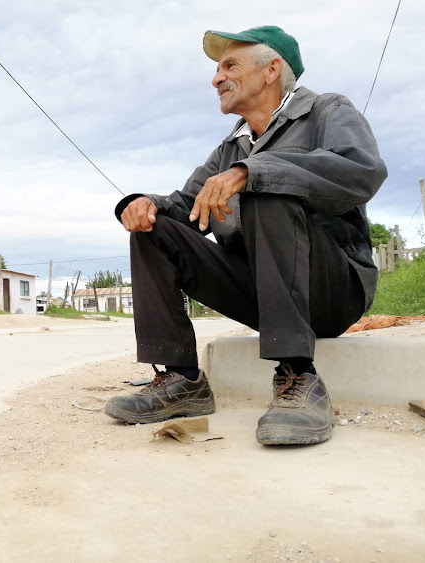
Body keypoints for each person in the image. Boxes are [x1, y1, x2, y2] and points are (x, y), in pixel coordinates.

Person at [105, 26, 387, 446]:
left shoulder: (327, 111)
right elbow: (188, 205)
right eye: (217, 70)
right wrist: (144, 204)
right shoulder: (230, 147)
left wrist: (253, 172)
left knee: (265, 187)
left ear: (271, 69)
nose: (216, 78)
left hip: (330, 291)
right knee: (156, 230)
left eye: (229, 65)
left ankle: (298, 378)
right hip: (262, 293)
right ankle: (182, 381)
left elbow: (362, 172)